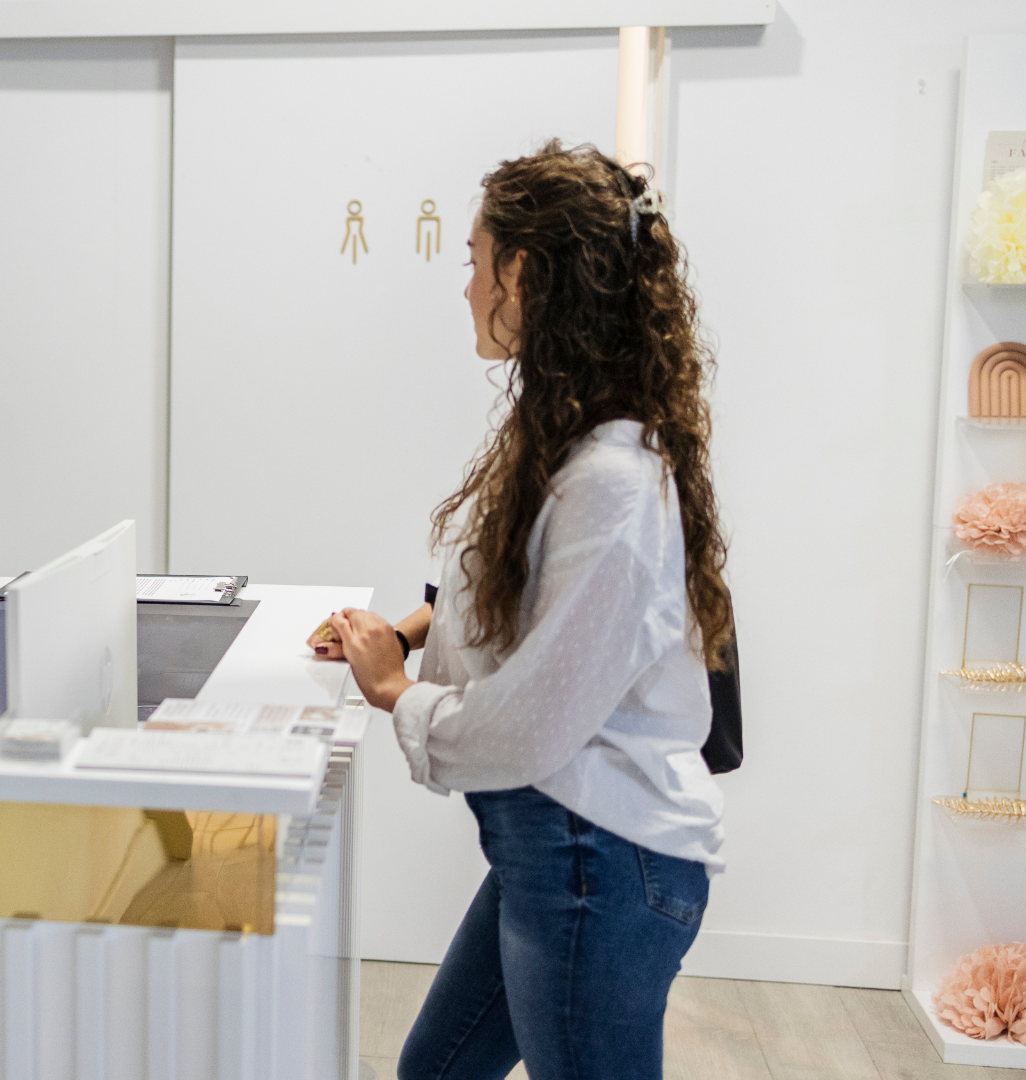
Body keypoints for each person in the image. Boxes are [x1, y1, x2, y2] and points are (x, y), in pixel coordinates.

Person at [311, 141, 731, 1080]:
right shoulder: (568, 438)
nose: (464, 286)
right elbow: (531, 609)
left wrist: (396, 691)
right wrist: (409, 634)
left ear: (525, 272)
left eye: (474, 260)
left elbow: (535, 724)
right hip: (557, 851)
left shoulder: (614, 481)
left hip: (598, 862)